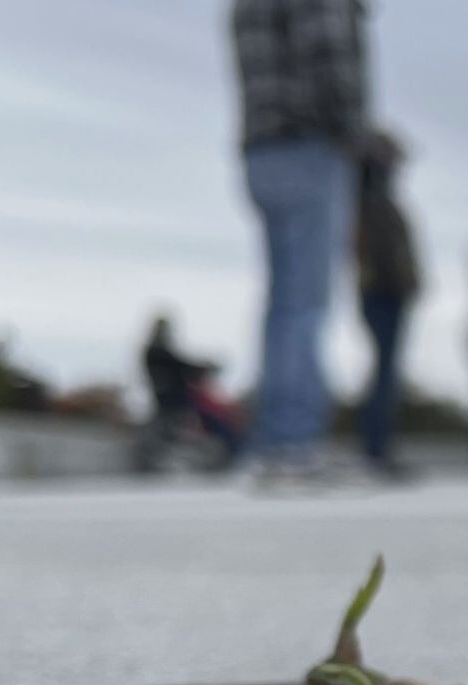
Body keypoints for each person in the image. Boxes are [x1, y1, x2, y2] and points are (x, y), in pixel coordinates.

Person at [230, 0, 367, 478]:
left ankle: (273, 441)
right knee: (307, 302)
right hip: (308, 147)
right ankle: (295, 442)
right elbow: (330, 55)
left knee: (283, 303)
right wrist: (357, 134)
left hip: (260, 149)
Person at [353, 129, 423, 479]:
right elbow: (367, 250)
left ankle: (380, 446)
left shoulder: (380, 197)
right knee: (384, 371)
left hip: (391, 293)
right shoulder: (367, 197)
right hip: (381, 293)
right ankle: (376, 448)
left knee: (387, 371)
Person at [137, 315, 241, 471]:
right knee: (216, 423)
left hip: (178, 403)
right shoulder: (157, 352)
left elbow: (184, 365)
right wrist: (204, 366)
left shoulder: (160, 353)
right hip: (176, 404)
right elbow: (183, 365)